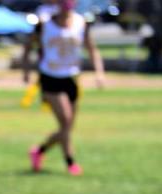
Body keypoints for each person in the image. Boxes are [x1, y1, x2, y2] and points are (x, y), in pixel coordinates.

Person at [23, 0, 104, 176]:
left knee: (67, 128)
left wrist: (99, 72)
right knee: (66, 122)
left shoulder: (80, 22)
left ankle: (39, 151)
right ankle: (70, 162)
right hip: (50, 77)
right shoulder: (45, 24)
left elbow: (92, 49)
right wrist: (26, 70)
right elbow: (29, 46)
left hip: (71, 77)